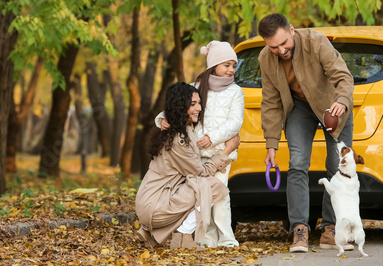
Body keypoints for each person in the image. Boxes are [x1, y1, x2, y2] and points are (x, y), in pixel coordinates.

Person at [257, 13, 355, 253]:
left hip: (332, 105)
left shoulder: (316, 41)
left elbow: (343, 76)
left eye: (283, 43)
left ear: (291, 30)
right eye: (273, 47)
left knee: (338, 167)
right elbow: (270, 101)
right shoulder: (265, 58)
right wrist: (271, 144)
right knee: (298, 163)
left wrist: (342, 101)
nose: (280, 50)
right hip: (299, 108)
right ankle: (299, 230)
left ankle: (331, 229)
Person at [156, 40, 245, 248]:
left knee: (220, 197)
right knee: (202, 196)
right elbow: (178, 107)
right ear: (214, 65)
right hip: (196, 154)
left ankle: (226, 237)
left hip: (221, 152)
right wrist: (160, 119)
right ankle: (206, 237)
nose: (232, 69)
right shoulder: (197, 88)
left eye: (234, 65)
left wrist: (212, 137)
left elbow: (235, 122)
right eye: (227, 65)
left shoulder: (236, 92)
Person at [135, 82, 241, 250]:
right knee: (211, 186)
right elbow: (202, 173)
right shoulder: (179, 140)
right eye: (192, 104)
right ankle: (184, 237)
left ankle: (152, 233)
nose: (199, 108)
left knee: (196, 187)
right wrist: (227, 150)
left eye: (199, 103)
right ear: (180, 107)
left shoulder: (174, 130)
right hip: (156, 204)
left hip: (151, 201)